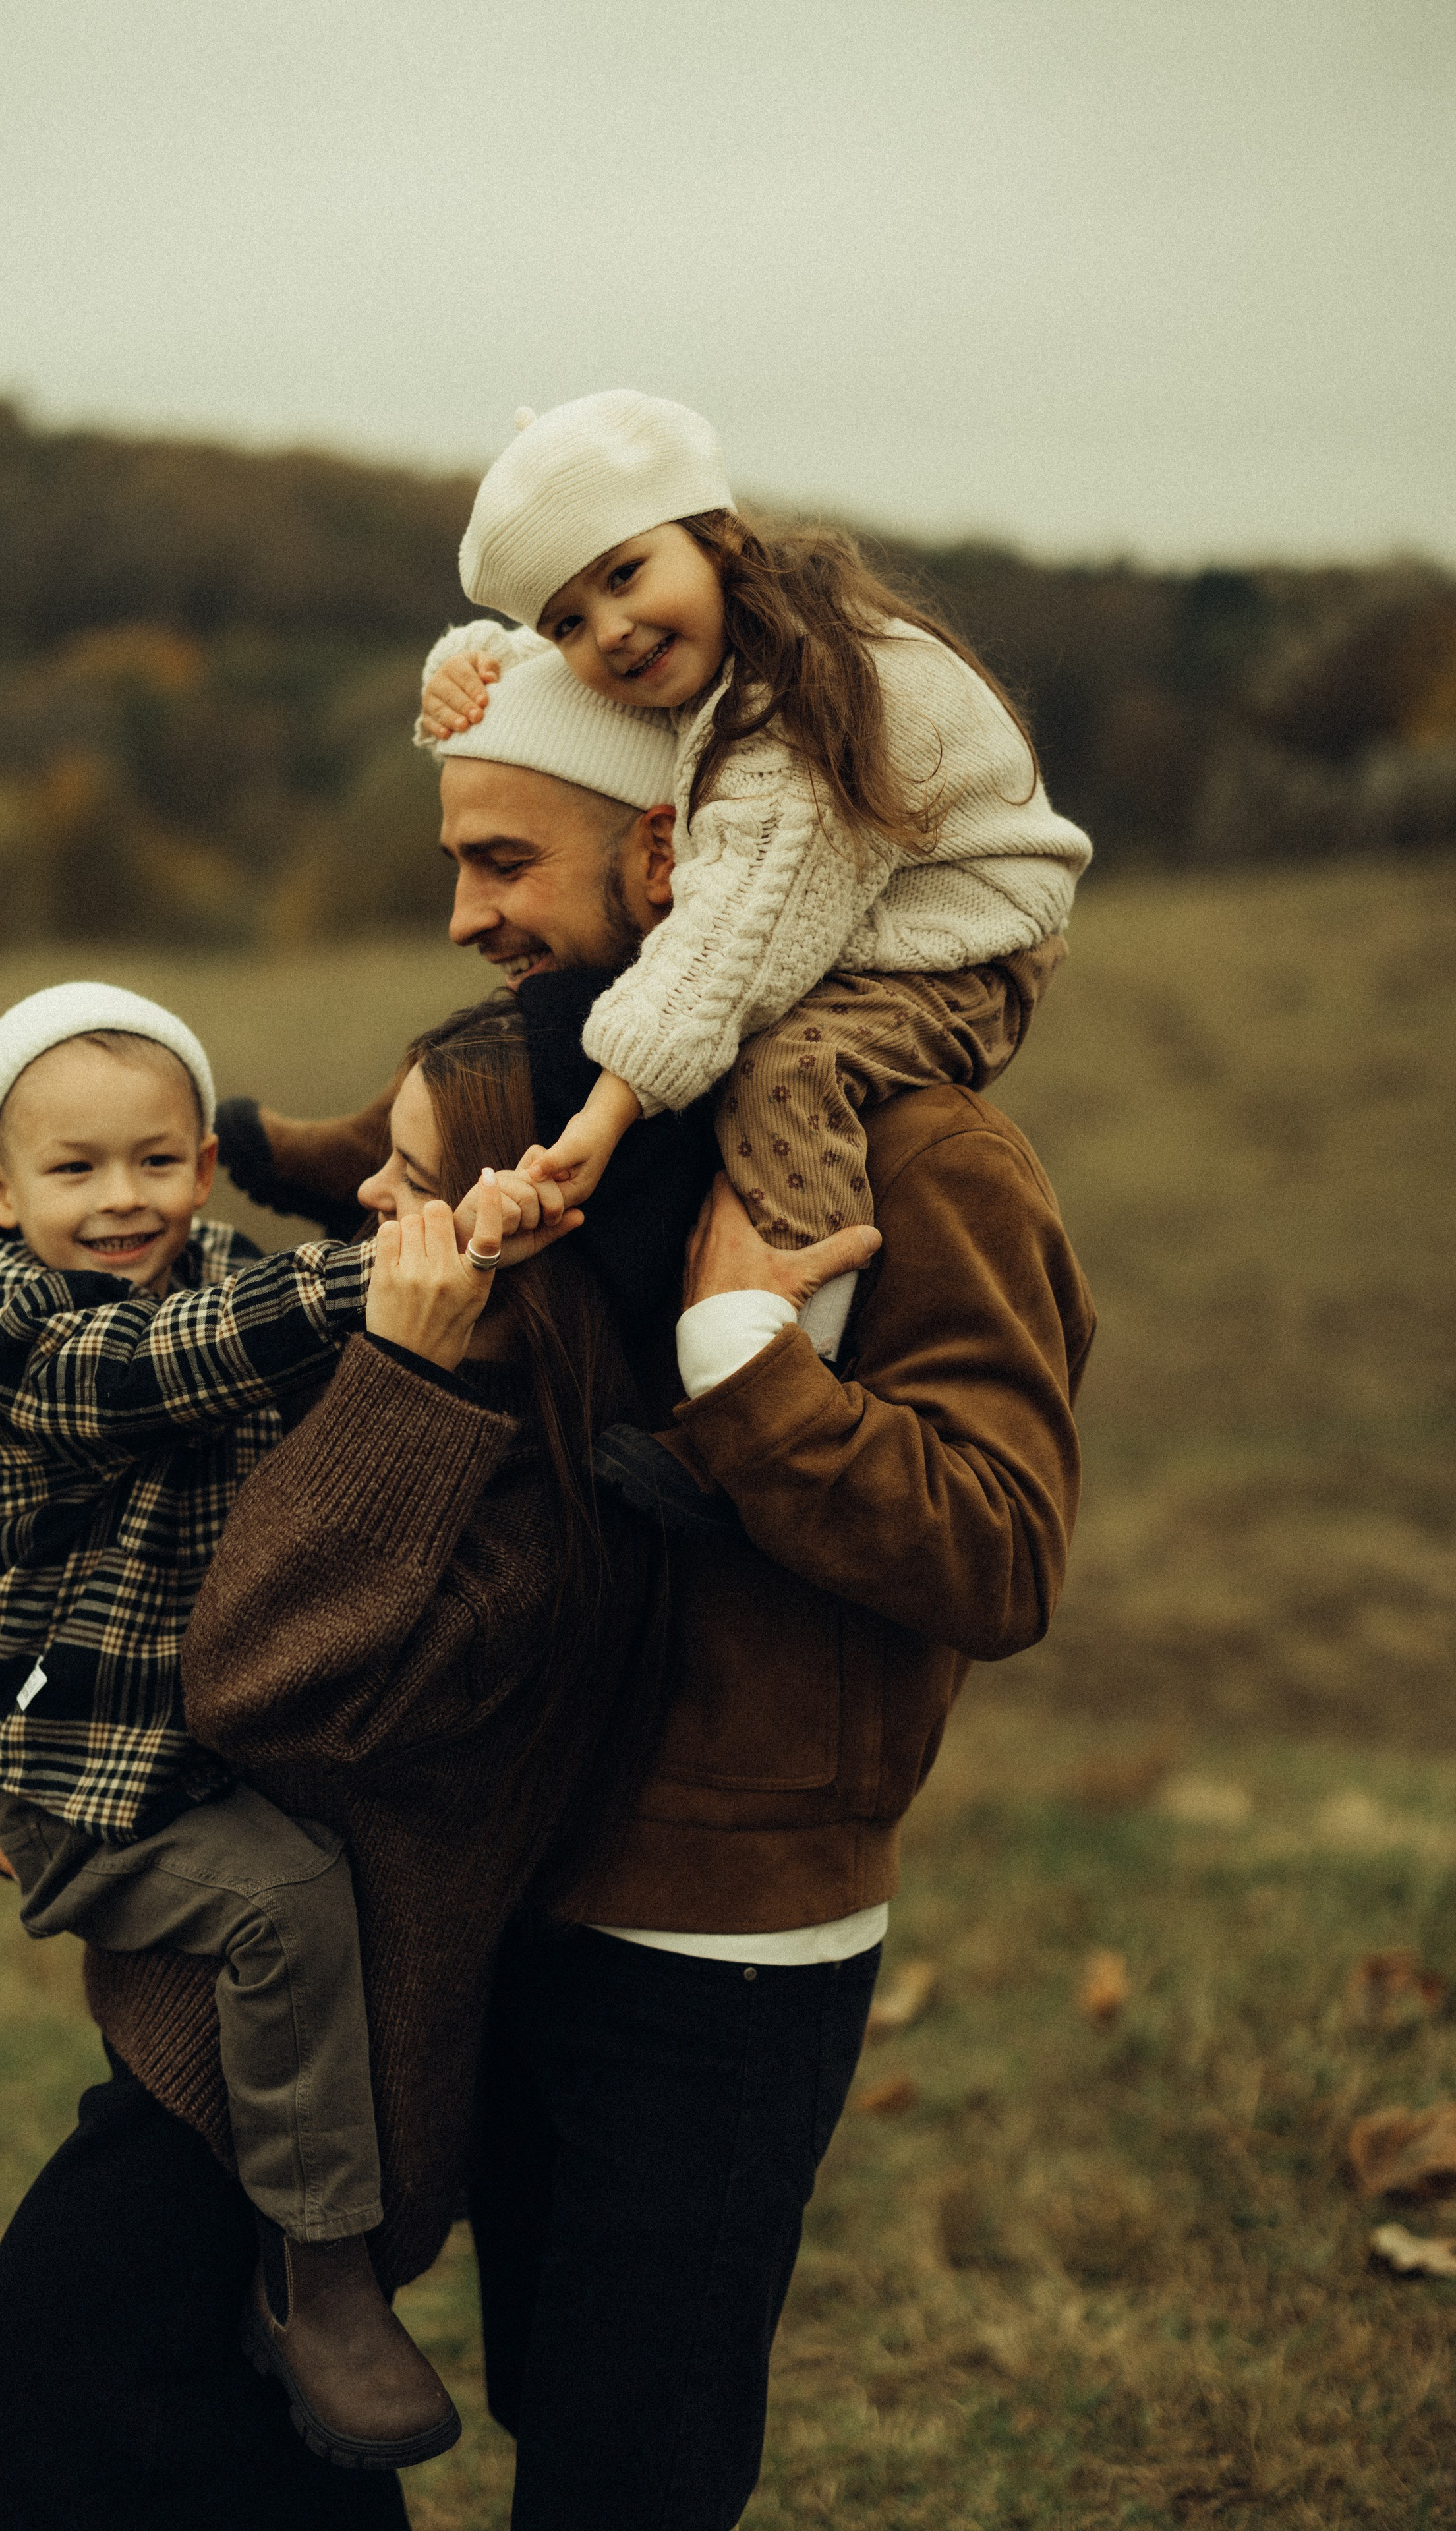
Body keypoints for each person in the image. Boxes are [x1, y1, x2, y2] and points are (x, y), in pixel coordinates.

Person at [224, 647, 1098, 2528]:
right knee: (548, 2390)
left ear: (670, 857)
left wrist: (748, 1364)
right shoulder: (543, 1125)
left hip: (728, 1935)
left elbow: (1001, 1551)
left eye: (500, 865)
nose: (462, 917)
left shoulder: (926, 1159)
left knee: (638, 2464)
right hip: (509, 1878)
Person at [0, 987, 699, 2531]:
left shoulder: (277, 1309)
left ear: (205, 1169)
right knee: (271, 1920)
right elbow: (153, 1371)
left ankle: (313, 2280)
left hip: (226, 1847)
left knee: (224, 2441)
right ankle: (317, 2273)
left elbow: (296, 1574)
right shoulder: (13, 1320)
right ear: (0, 1196)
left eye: (154, 1162)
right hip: (100, 1789)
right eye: (71, 1173)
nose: (119, 1198)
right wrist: (410, 1276)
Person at [419, 386, 1093, 1381]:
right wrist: (467, 666)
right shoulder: (724, 645)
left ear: (712, 533)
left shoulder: (800, 712)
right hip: (867, 923)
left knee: (784, 1073)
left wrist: (604, 1116)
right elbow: (564, 688)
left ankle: (775, 1360)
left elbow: (727, 940)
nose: (609, 630)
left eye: (624, 573)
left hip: (962, 945)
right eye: (567, 621)